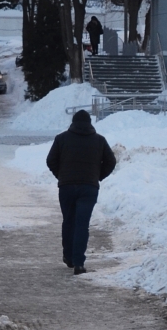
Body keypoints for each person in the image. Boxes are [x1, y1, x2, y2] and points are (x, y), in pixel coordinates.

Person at [45, 109, 116, 274]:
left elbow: (51, 160)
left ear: (73, 122)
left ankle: (68, 256)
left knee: (69, 221)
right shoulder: (99, 140)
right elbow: (111, 161)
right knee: (82, 225)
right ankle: (78, 263)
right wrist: (97, 176)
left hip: (67, 187)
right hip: (88, 188)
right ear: (89, 123)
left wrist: (61, 176)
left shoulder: (61, 138)